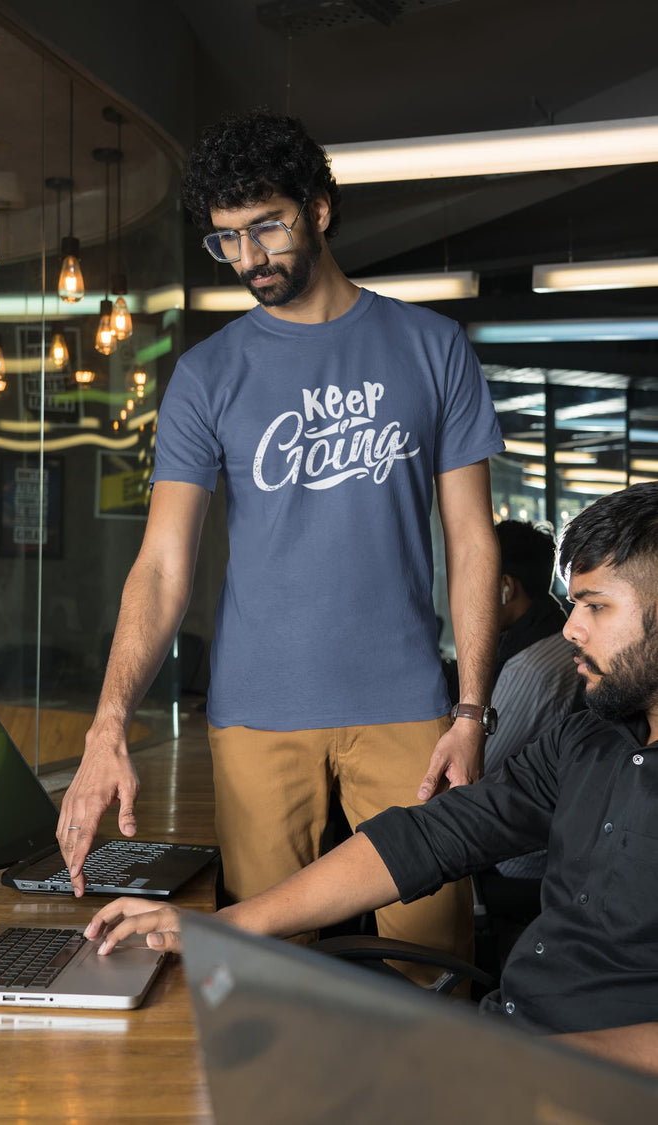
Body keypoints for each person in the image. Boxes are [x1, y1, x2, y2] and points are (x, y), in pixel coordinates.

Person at [58, 109, 504, 975]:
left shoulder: (432, 347)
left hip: (410, 706)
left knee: (432, 966)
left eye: (268, 225)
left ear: (321, 209)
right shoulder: (207, 373)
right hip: (256, 713)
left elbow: (472, 542)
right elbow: (162, 563)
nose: (250, 257)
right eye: (227, 239)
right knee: (271, 969)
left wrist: (473, 708)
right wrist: (106, 723)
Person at [84, 481, 658, 1072]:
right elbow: (430, 837)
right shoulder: (586, 741)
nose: (569, 629)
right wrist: (219, 927)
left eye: (596, 606)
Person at [485, 520, 582, 884]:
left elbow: (477, 767)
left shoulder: (530, 667)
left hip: (519, 857)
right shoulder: (554, 634)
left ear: (506, 587)